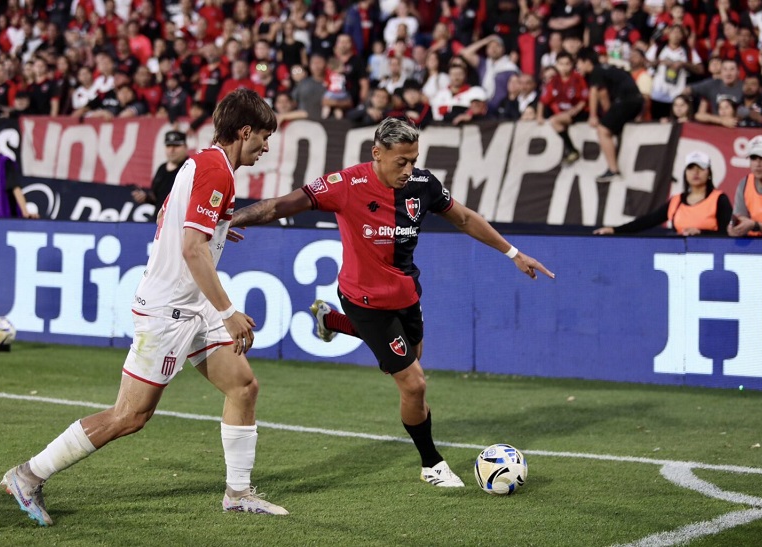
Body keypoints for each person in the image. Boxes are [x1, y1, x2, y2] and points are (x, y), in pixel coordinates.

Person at [0, 89, 288, 527]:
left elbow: (167, 219)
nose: (266, 147)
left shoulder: (201, 162)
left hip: (191, 304)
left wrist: (215, 229)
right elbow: (192, 249)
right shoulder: (216, 170)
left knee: (243, 386)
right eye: (264, 137)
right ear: (245, 131)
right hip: (169, 310)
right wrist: (228, 310)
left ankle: (238, 493)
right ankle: (28, 474)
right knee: (130, 415)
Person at [230, 117, 554, 488]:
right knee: (414, 384)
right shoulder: (345, 184)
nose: (408, 169)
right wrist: (229, 219)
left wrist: (514, 253)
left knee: (411, 360)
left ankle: (330, 321)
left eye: (413, 160)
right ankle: (432, 463)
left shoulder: (423, 185)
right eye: (401, 161)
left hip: (406, 295)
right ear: (377, 153)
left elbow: (464, 218)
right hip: (363, 300)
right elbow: (280, 206)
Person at [593, 151, 732, 236]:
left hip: (712, 255)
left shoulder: (719, 199)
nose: (695, 172)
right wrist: (615, 230)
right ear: (685, 173)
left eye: (700, 168)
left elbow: (727, 233)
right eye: (691, 168)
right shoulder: (676, 201)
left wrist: (701, 233)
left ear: (709, 173)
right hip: (681, 256)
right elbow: (648, 221)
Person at [575, 47, 644, 183]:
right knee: (614, 128)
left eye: (578, 63)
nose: (577, 67)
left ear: (587, 62)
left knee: (603, 130)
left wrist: (594, 116)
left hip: (626, 101)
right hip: (635, 101)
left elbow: (600, 94)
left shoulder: (596, 71)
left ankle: (613, 170)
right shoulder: (606, 69)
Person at [131, 130, 190, 222]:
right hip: (159, 222)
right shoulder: (162, 168)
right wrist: (146, 197)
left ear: (185, 147)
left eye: (176, 146)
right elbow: (156, 197)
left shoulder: (190, 168)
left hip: (178, 222)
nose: (172, 150)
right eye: (168, 146)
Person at [728, 135, 762, 237]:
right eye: (753, 158)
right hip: (754, 244)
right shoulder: (745, 184)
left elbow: (752, 225)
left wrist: (756, 225)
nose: (758, 163)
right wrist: (734, 226)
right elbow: (738, 218)